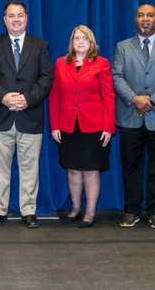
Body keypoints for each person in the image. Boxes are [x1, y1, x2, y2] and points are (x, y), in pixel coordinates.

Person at [0, 0, 53, 229]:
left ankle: (29, 210)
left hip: (30, 116)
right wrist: (3, 97)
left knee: (30, 169)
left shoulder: (40, 45)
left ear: (26, 18)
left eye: (20, 15)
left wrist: (27, 99)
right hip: (0, 117)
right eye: (11, 16)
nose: (16, 19)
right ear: (5, 20)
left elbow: (46, 78)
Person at [112, 4, 155, 230]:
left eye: (150, 15)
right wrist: (135, 99)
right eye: (141, 15)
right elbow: (116, 76)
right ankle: (131, 210)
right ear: (135, 19)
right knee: (130, 166)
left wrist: (150, 101)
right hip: (130, 115)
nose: (145, 19)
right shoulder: (122, 47)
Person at [49, 26, 115, 228]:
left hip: (94, 126)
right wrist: (55, 125)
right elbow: (54, 97)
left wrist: (108, 127)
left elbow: (109, 97)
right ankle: (76, 209)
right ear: (72, 42)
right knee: (73, 169)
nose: (80, 41)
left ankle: (90, 212)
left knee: (91, 170)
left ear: (91, 42)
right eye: (77, 38)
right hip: (68, 126)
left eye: (85, 38)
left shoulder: (101, 63)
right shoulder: (61, 63)